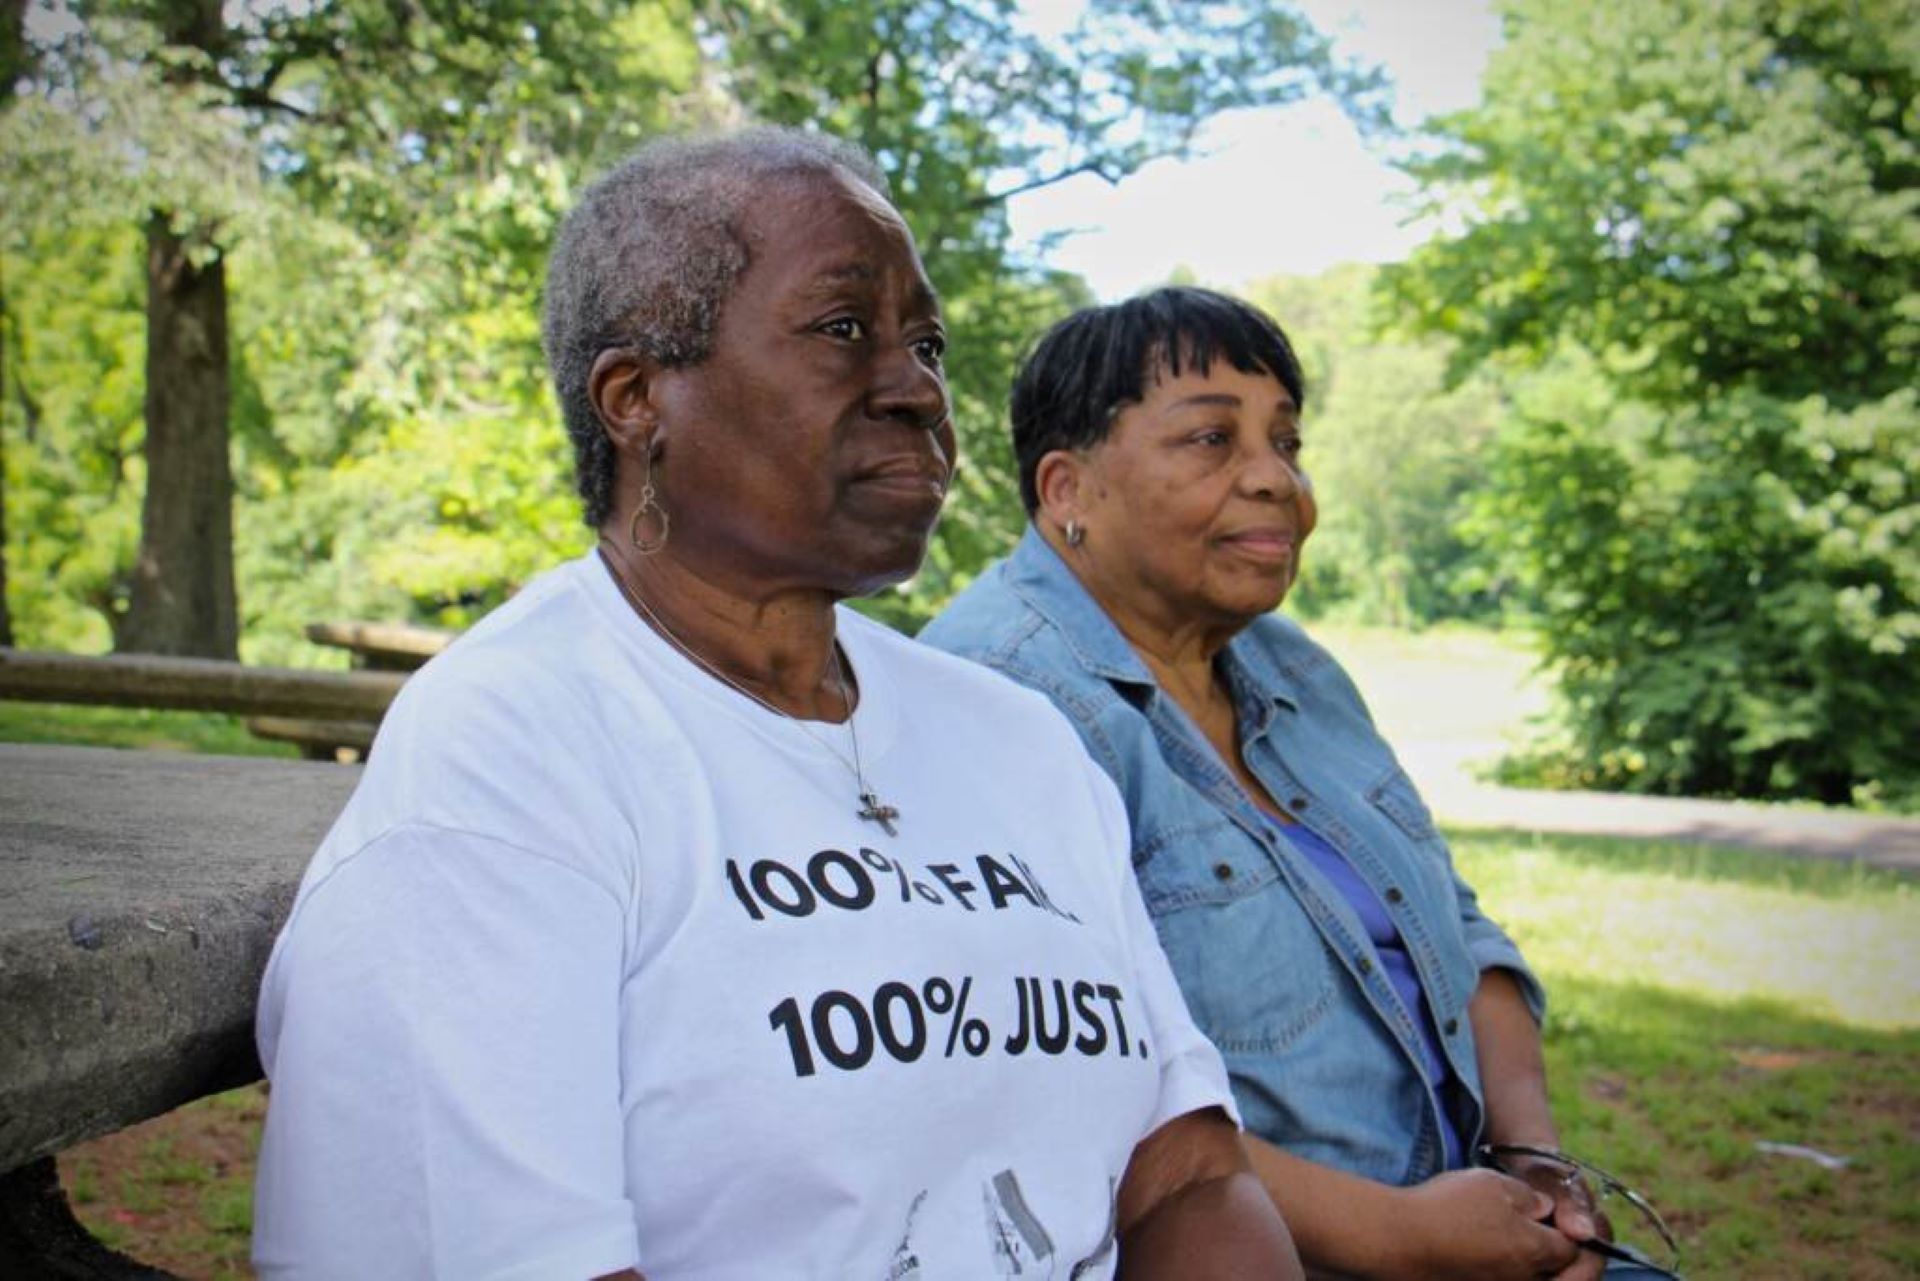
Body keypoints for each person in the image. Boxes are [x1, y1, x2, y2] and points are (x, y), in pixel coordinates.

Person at [250, 135, 1300, 1280]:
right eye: (844, 330)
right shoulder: (512, 755)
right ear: (637, 399)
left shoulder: (1016, 741)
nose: (918, 390)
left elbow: (1191, 1174)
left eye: (927, 344)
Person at [923, 287, 1675, 1280]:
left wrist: (1530, 1172)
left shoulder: (1294, 668)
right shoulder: (996, 702)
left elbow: (1462, 931)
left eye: (1286, 441)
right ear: (1067, 490)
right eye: (1211, 441)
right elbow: (1062, 1089)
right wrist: (1400, 1239)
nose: (1276, 480)